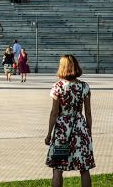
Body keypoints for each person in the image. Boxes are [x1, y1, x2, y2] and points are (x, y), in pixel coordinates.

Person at [45, 55, 95, 187]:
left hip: (62, 130)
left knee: (57, 168)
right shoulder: (84, 87)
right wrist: (89, 132)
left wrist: (49, 134)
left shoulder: (58, 87)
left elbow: (54, 112)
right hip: (80, 128)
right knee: (84, 168)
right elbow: (88, 113)